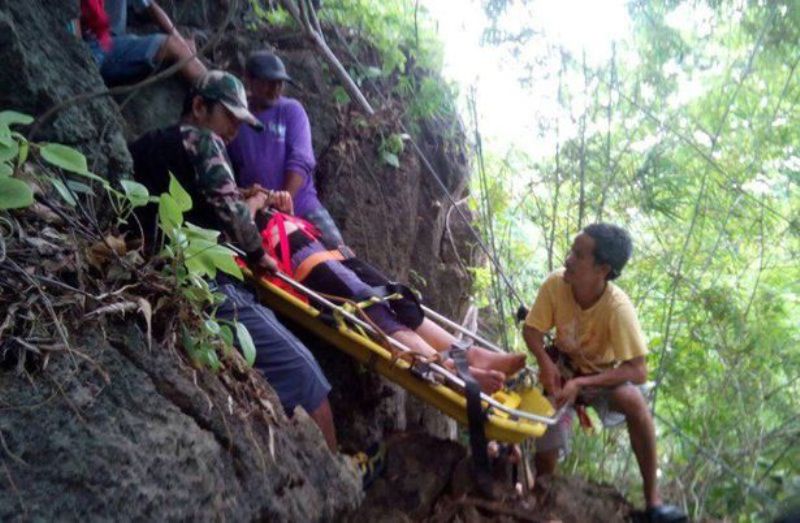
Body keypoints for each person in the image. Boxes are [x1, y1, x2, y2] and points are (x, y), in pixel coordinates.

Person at [127, 70, 338, 451]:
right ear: (198, 106)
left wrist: (248, 197)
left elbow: (200, 196)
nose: (233, 133)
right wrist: (261, 256)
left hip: (159, 274)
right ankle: (340, 483)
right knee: (305, 371)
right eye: (230, 118)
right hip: (204, 283)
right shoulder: (203, 139)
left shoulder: (147, 145)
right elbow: (232, 214)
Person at [245, 206, 525, 393]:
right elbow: (235, 210)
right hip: (279, 241)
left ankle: (464, 352)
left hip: (300, 231)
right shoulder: (221, 172)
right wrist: (257, 200)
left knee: (391, 293)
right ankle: (446, 369)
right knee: (361, 297)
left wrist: (273, 199)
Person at [523, 224, 686, 523]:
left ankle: (654, 503)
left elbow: (637, 370)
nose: (568, 259)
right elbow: (531, 330)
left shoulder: (617, 307)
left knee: (634, 401)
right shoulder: (555, 285)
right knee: (547, 432)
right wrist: (546, 364)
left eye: (578, 254)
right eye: (572, 250)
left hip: (600, 378)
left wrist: (584, 382)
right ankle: (540, 499)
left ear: (603, 269)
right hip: (562, 372)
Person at [227, 50, 345, 250]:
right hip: (259, 210)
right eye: (269, 82)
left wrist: (283, 198)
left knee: (338, 250)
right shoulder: (236, 115)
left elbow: (301, 159)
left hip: (303, 205)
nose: (276, 89)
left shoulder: (291, 110)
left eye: (280, 83)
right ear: (249, 80)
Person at [79, 0, 206, 85]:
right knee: (176, 47)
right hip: (94, 49)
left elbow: (151, 7)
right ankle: (214, 90)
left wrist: (180, 39)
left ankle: (214, 90)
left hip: (109, 44)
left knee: (178, 45)